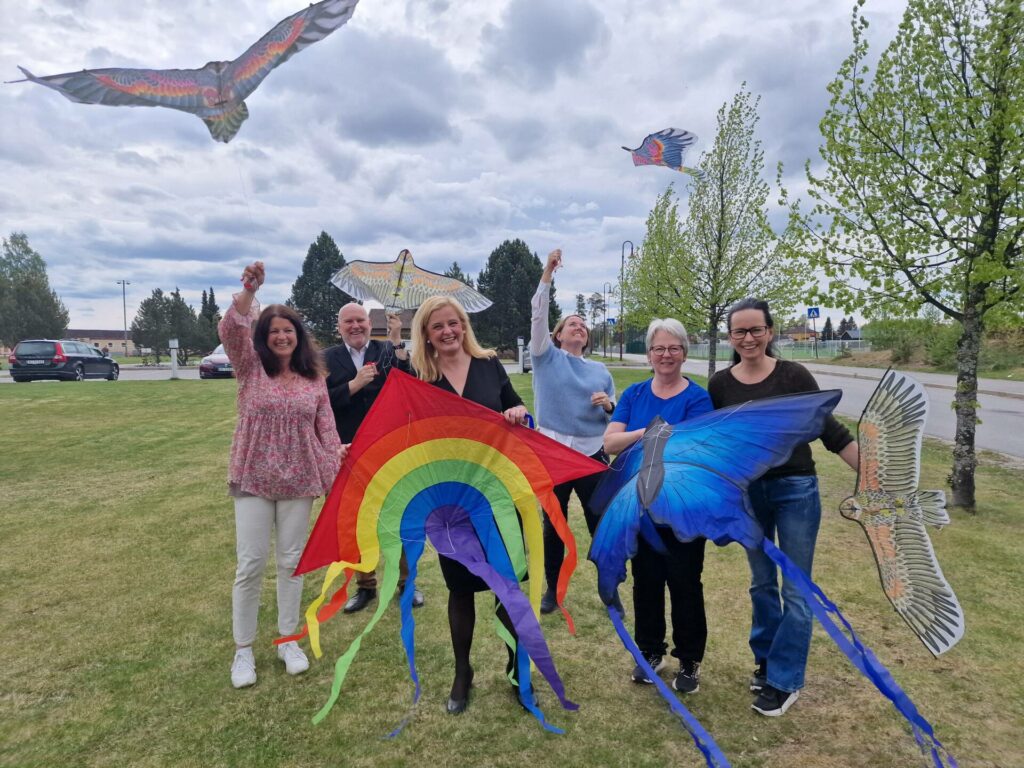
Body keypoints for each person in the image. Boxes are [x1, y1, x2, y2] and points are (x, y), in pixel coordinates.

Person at [708, 297, 858, 717]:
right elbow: (719, 445)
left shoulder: (793, 375)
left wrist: (875, 479)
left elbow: (830, 431)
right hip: (749, 495)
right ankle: (766, 661)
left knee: (795, 587)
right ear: (730, 337)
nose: (749, 338)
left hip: (795, 490)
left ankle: (785, 679)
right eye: (740, 331)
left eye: (756, 329)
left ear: (770, 332)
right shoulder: (721, 384)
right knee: (760, 583)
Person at [220, 261, 344, 690]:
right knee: (251, 564)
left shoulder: (314, 378)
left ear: (298, 335)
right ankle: (243, 651)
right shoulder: (249, 367)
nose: (281, 336)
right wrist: (250, 292)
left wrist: (337, 467)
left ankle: (288, 641)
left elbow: (325, 428)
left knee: (292, 564)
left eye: (288, 330)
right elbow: (232, 329)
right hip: (254, 477)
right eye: (273, 331)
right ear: (264, 337)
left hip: (299, 480)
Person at [410, 295, 529, 715]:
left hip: (495, 495)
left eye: (454, 323)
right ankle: (463, 671)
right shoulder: (418, 376)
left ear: (464, 326)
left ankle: (518, 669)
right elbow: (402, 432)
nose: (448, 332)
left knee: (506, 584)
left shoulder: (490, 365)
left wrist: (517, 411)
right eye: (438, 326)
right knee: (460, 588)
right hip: (449, 502)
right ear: (426, 333)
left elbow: (516, 405)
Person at [604, 318, 713, 695]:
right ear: (649, 354)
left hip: (683, 509)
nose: (666, 355)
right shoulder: (634, 394)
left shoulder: (698, 398)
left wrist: (653, 442)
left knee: (685, 584)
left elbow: (698, 451)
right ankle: (650, 652)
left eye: (674, 348)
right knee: (646, 584)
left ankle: (689, 660)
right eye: (658, 348)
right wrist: (650, 433)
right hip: (641, 508)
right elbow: (611, 443)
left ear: (684, 352)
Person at [529, 249, 614, 614]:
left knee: (601, 522)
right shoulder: (545, 357)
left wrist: (608, 406)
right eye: (571, 324)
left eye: (583, 325)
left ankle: (609, 587)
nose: (578, 326)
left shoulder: (600, 371)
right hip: (553, 454)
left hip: (593, 453)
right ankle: (552, 590)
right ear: (558, 335)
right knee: (553, 525)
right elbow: (537, 313)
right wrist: (548, 272)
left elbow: (616, 414)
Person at [323, 302, 423, 613]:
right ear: (339, 327)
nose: (355, 326)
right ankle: (365, 585)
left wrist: (396, 340)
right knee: (355, 523)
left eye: (360, 321)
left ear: (370, 323)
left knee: (400, 518)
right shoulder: (325, 359)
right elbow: (319, 403)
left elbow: (408, 381)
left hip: (388, 450)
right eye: (348, 321)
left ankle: (407, 583)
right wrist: (353, 386)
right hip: (346, 451)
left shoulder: (385, 350)